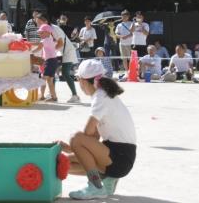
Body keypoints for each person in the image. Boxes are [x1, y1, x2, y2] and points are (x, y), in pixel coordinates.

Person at [57, 60, 136, 200]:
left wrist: (73, 145)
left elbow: (86, 133)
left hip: (119, 157)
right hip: (120, 156)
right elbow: (93, 138)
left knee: (76, 137)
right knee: (64, 164)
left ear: (82, 81)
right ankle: (109, 180)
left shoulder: (101, 97)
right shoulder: (103, 95)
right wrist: (71, 149)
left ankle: (95, 186)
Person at [36, 14, 80, 103]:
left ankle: (75, 95)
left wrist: (51, 51)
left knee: (65, 73)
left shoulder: (54, 29)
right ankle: (52, 94)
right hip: (58, 53)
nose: (38, 25)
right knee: (51, 73)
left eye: (39, 23)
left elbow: (61, 43)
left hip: (67, 51)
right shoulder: (46, 30)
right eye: (37, 23)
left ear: (45, 22)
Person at [32, 24, 59, 102]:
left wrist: (30, 51)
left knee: (43, 79)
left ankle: (43, 96)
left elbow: (38, 47)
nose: (40, 34)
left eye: (42, 32)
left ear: (48, 32)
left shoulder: (45, 40)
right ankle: (54, 97)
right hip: (54, 61)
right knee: (50, 80)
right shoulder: (51, 39)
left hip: (49, 61)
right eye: (39, 33)